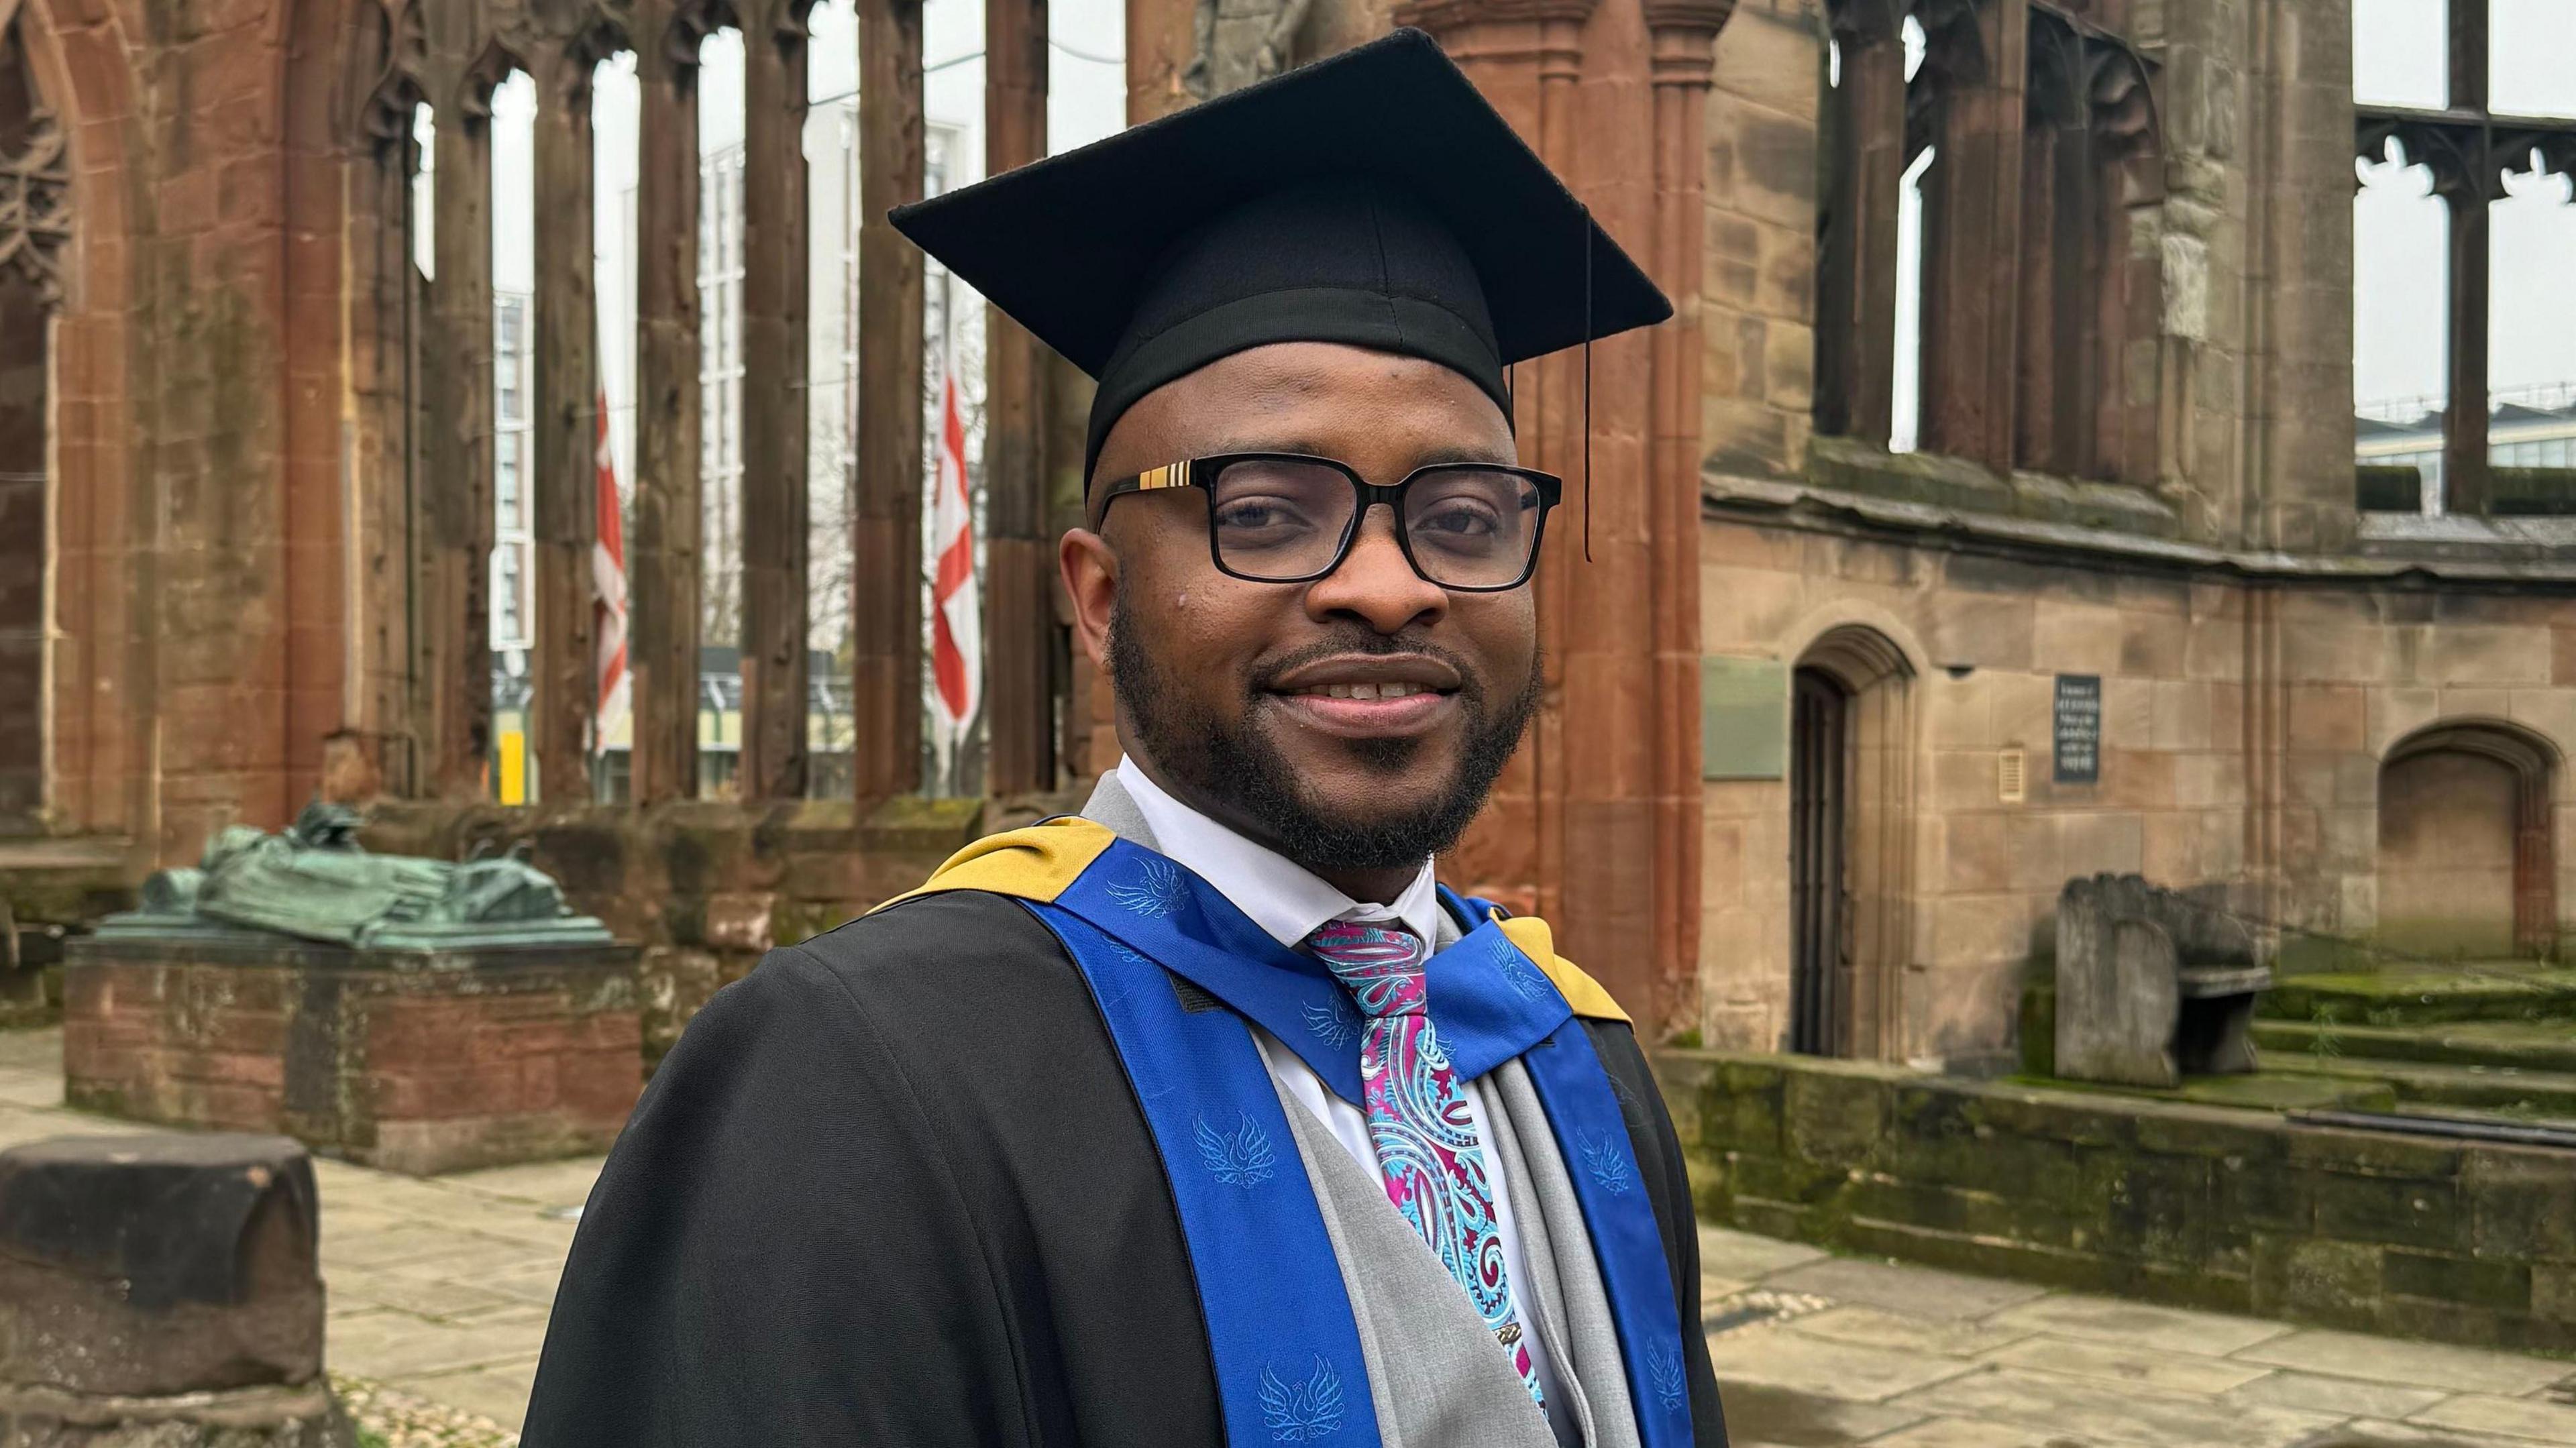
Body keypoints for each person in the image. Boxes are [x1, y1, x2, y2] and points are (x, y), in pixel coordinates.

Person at [521, 30, 1727, 1448]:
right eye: (1267, 510)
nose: (1392, 585)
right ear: (1099, 599)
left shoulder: (1570, 1050)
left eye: (1463, 521)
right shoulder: (855, 1081)